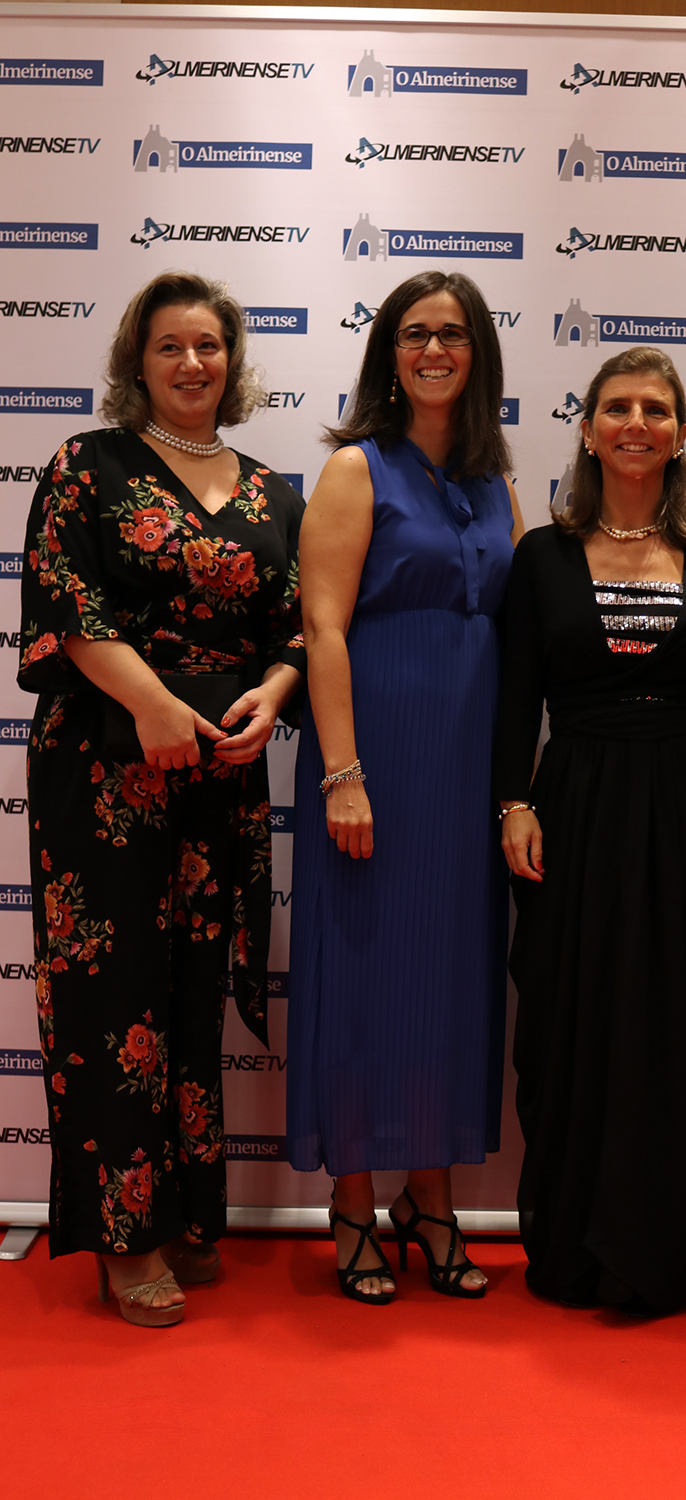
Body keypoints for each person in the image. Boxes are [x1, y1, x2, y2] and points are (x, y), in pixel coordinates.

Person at [18, 272, 305, 1326]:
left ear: (233, 362)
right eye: (170, 346)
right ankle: (124, 1236)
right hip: (105, 769)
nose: (192, 363)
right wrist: (153, 706)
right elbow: (67, 604)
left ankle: (183, 1210)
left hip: (219, 773)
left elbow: (297, 625)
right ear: (137, 363)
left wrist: (273, 696)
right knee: (113, 995)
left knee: (189, 990)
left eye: (209, 346)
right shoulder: (84, 465)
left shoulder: (274, 493)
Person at [494, 346, 686, 1315]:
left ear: (681, 434)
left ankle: (668, 1250)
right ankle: (576, 1245)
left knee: (683, 1024)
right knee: (573, 1019)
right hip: (575, 807)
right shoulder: (541, 557)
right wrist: (512, 804)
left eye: (655, 408)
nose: (635, 422)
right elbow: (516, 698)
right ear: (589, 429)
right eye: (617, 407)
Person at [286, 270, 523, 1303]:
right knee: (363, 973)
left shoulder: (496, 481)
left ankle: (431, 1202)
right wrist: (343, 774)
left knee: (449, 978)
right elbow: (323, 626)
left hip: (464, 769)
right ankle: (352, 1203)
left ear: (478, 354)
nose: (434, 349)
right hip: (374, 756)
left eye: (453, 333)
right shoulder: (357, 469)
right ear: (390, 352)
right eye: (415, 333)